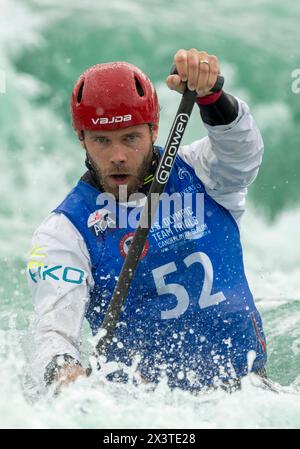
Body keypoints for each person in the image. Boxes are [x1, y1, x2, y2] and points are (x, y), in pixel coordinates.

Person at [27, 48, 267, 392]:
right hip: (148, 409)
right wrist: (68, 376)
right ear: (81, 139)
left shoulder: (203, 172)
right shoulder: (65, 232)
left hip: (253, 396)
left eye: (130, 138)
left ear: (154, 130)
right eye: (101, 141)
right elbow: (53, 332)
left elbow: (243, 152)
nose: (118, 156)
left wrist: (211, 96)